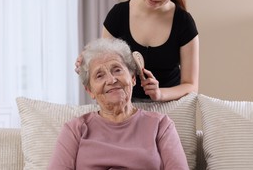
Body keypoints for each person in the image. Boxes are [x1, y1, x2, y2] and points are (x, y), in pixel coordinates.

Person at [49, 38, 189, 170]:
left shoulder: (161, 125)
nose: (111, 80)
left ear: (133, 78)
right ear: (90, 90)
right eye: (99, 75)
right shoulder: (75, 130)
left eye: (117, 70)